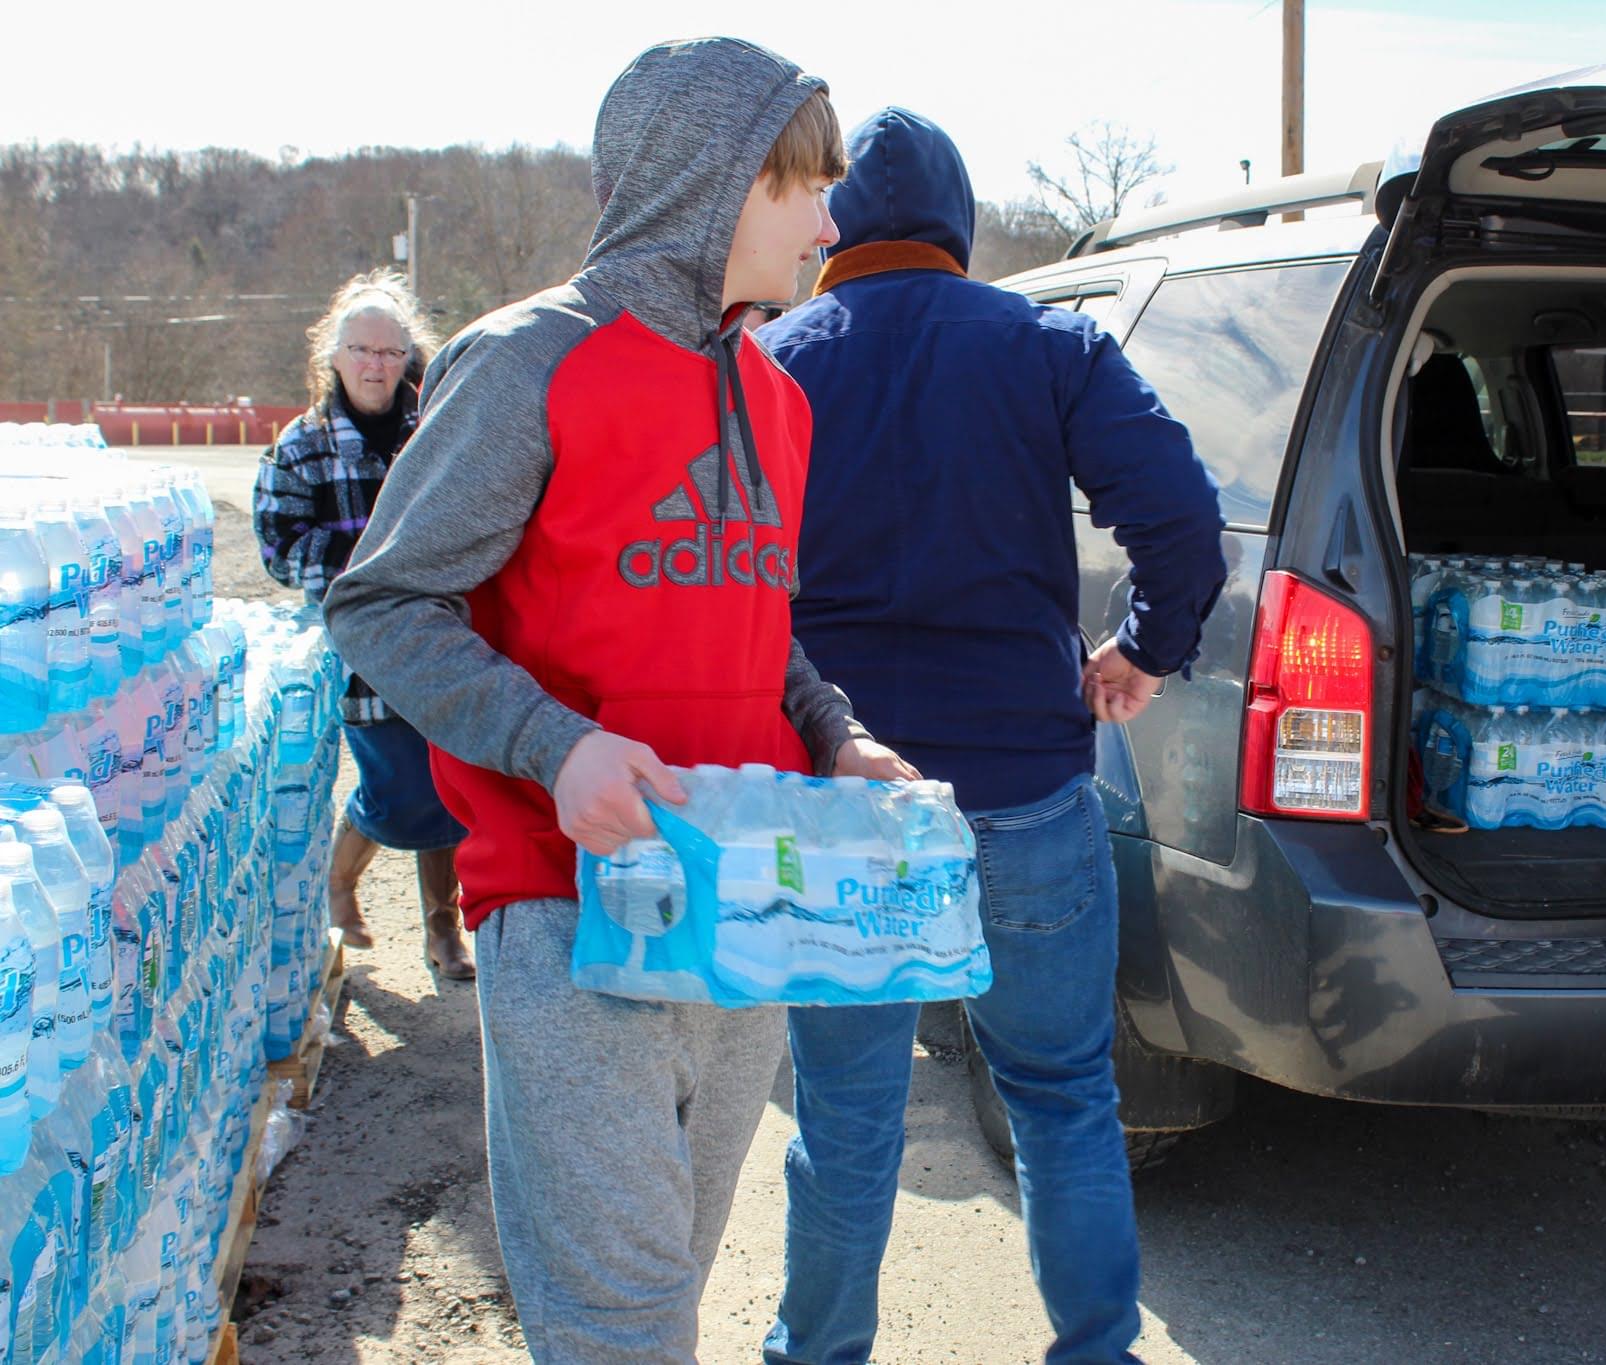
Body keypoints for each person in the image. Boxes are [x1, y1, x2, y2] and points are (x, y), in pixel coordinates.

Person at [323, 39, 911, 1363]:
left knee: (663, 1303)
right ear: (717, 185)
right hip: (566, 909)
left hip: (744, 921)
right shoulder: (527, 360)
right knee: (620, 1328)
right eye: (801, 187)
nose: (829, 222)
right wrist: (556, 745)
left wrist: (836, 733)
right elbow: (384, 605)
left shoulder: (780, 396)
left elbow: (762, 636)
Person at [755, 108, 1226, 1365]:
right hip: (1023, 788)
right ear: (959, 224)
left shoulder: (771, 361)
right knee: (1063, 1095)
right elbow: (1182, 520)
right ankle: (1092, 1351)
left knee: (846, 1116)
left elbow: (723, 592)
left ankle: (816, 1355)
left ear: (833, 224)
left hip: (844, 793)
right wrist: (1143, 647)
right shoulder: (1045, 345)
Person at [253, 269, 474, 979]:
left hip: (444, 635)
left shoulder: (438, 426)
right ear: (335, 355)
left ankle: (444, 930)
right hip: (361, 650)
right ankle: (341, 878)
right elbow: (278, 547)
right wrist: (365, 563)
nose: (376, 365)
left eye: (389, 352)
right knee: (400, 792)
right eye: (362, 350)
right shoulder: (301, 445)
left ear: (409, 355)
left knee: (450, 784)